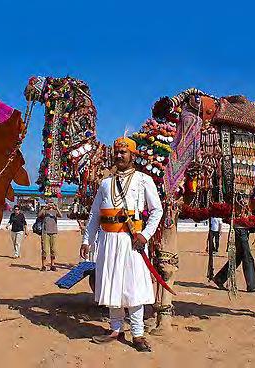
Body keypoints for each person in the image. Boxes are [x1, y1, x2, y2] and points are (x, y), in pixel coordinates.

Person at [80, 136, 163, 352]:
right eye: (116, 152)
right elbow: (94, 215)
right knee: (111, 284)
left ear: (132, 155)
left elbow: (157, 211)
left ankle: (137, 334)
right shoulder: (105, 183)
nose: (119, 155)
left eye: (123, 152)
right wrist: (87, 240)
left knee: (133, 287)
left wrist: (145, 235)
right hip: (107, 242)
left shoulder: (144, 180)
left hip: (131, 241)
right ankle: (115, 328)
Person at [213, 225, 255, 293]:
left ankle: (219, 278)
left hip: (241, 230)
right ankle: (253, 286)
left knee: (237, 258)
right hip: (240, 230)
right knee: (247, 258)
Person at [38, 199, 62, 271]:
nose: (50, 204)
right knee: (44, 249)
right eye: (49, 202)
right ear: (47, 203)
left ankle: (52, 265)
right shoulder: (44, 210)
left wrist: (57, 208)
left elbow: (60, 215)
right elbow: (39, 215)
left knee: (53, 250)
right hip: (45, 232)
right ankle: (43, 265)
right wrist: (44, 208)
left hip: (53, 232)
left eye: (51, 202)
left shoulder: (55, 211)